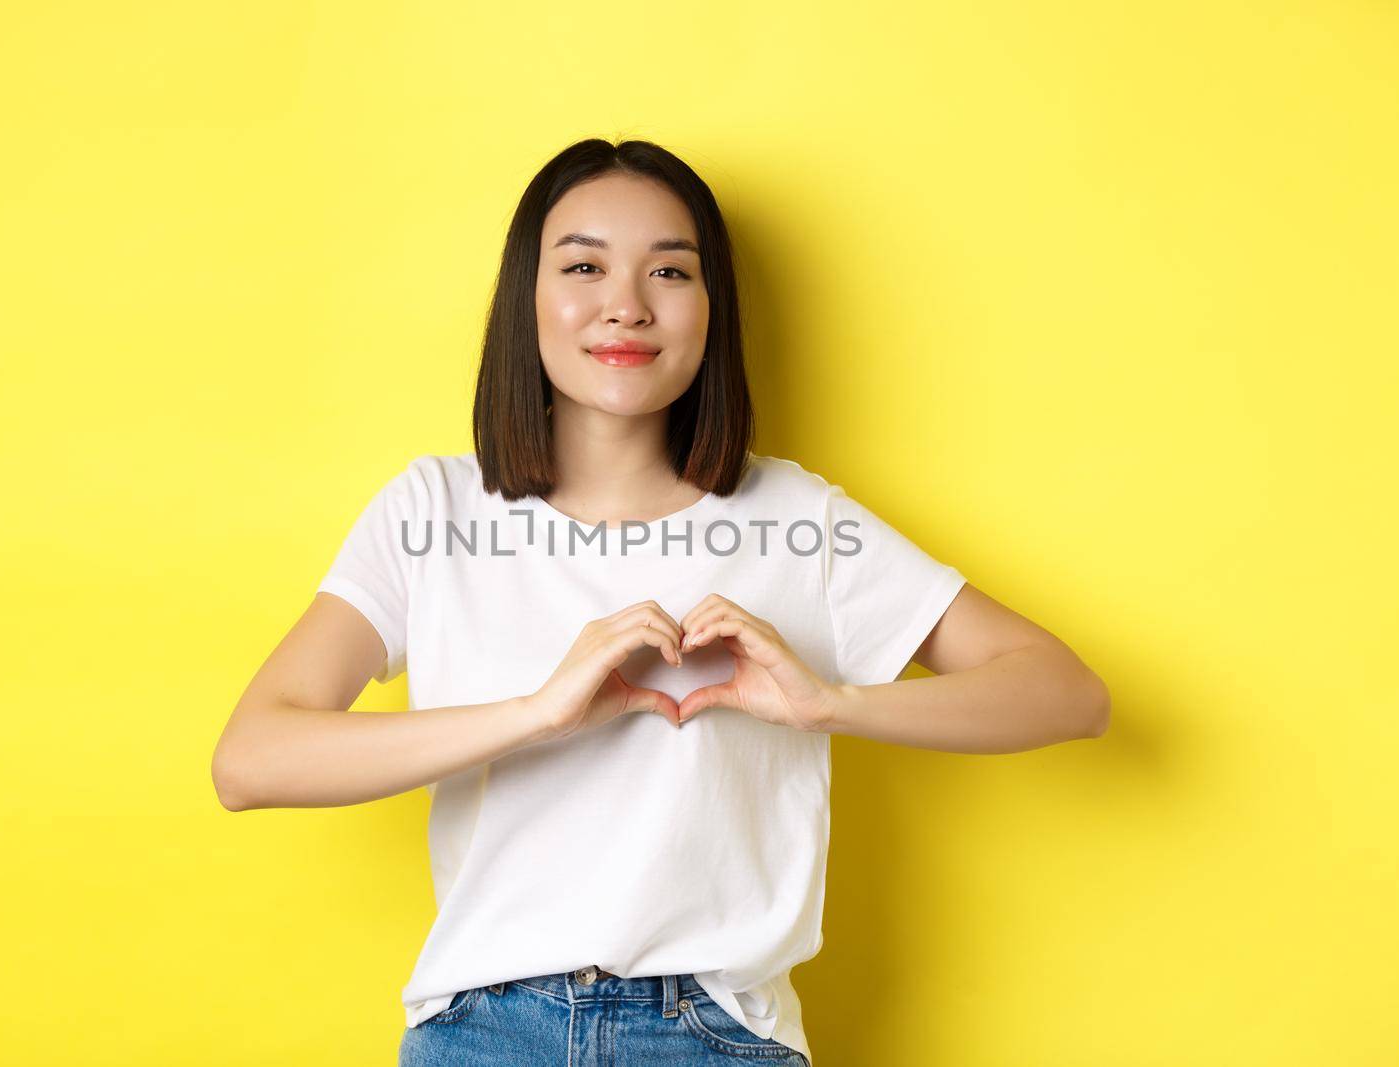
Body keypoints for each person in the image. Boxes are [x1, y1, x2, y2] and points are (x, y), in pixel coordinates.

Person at [211, 137, 1111, 1067]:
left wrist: (828, 704)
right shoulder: (432, 511)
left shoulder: (797, 519)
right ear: (529, 297)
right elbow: (252, 759)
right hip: (482, 1032)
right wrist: (535, 713)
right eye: (585, 265)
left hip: (717, 1034)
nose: (626, 305)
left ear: (711, 307)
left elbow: (1067, 692)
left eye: (669, 271)